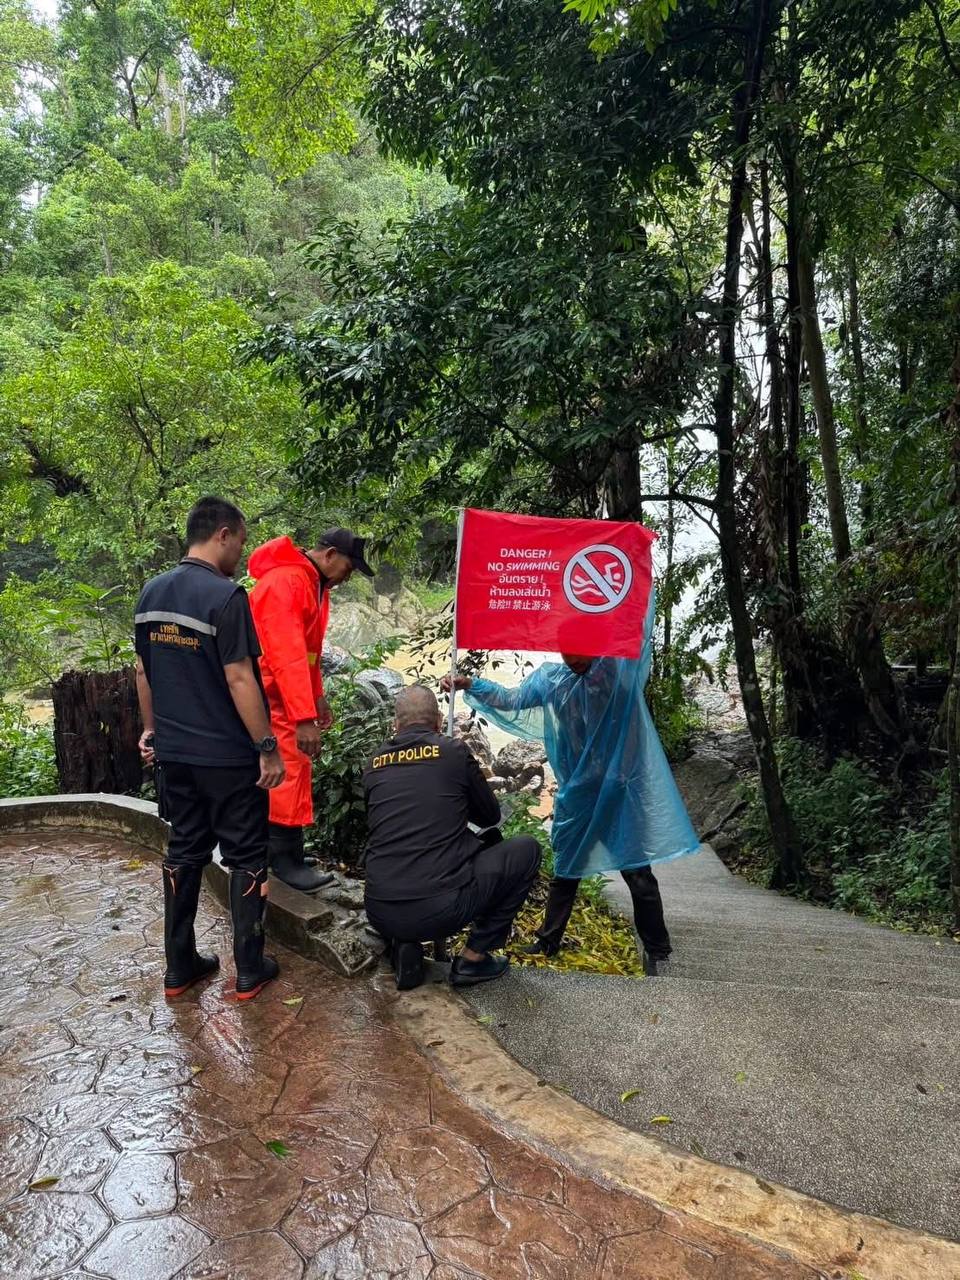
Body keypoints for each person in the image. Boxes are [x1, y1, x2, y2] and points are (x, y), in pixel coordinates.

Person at [441, 593, 698, 976]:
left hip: (618, 794)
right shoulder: (553, 679)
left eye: (578, 652)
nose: (570, 659)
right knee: (567, 868)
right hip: (578, 793)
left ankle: (658, 948)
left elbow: (638, 641)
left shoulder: (618, 675)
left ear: (595, 646)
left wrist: (639, 591)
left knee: (636, 871)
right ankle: (549, 940)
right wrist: (470, 683)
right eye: (564, 651)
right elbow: (512, 698)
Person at [135, 496, 285, 1002]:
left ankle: (180, 966)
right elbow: (240, 677)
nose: (241, 553)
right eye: (241, 541)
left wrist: (151, 731)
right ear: (222, 533)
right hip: (226, 757)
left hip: (175, 755)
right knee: (246, 853)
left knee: (184, 850)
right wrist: (267, 747)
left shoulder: (150, 594)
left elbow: (143, 671)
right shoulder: (225, 597)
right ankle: (249, 968)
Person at [363, 684, 541, 991]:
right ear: (436, 723)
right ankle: (473, 958)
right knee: (526, 849)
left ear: (395, 725)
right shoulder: (453, 752)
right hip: (440, 909)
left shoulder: (374, 764)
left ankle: (405, 943)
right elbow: (489, 817)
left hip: (379, 910)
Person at [248, 528, 374, 892]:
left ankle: (285, 851)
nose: (347, 577)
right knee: (285, 769)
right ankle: (284, 860)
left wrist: (316, 699)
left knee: (293, 769)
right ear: (330, 554)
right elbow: (285, 656)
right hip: (272, 696)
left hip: (287, 694)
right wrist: (303, 718)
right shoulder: (288, 582)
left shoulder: (313, 583)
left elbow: (309, 655)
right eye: (348, 568)